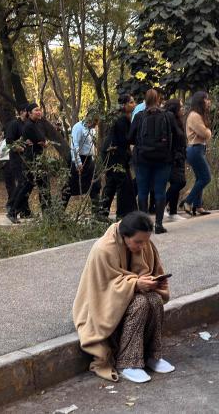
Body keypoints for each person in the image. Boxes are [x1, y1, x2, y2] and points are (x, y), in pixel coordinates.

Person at [73, 211, 174, 383]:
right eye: (138, 242)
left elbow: (151, 269)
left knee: (155, 300)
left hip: (125, 297)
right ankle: (128, 363)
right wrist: (135, 284)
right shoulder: (103, 249)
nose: (142, 246)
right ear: (124, 236)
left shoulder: (143, 243)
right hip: (102, 306)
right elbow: (102, 289)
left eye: (146, 241)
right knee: (140, 303)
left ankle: (152, 355)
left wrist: (152, 282)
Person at [128, 89, 180, 234]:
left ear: (145, 100)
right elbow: (178, 135)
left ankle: (145, 225)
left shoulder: (139, 116)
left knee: (143, 191)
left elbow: (130, 137)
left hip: (142, 159)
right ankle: (158, 224)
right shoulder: (168, 116)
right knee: (160, 191)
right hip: (163, 159)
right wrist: (173, 152)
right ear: (158, 99)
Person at [7, 103, 50, 223]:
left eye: (39, 110)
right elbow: (42, 139)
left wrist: (43, 142)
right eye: (36, 110)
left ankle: (48, 214)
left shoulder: (38, 124)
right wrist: (43, 142)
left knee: (42, 186)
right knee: (28, 187)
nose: (39, 112)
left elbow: (43, 139)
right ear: (29, 113)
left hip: (38, 160)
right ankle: (13, 212)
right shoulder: (29, 126)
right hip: (32, 161)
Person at [100, 95, 137, 219]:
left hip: (112, 153)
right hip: (115, 154)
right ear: (124, 105)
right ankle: (122, 214)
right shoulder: (121, 119)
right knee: (122, 182)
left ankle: (102, 212)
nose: (134, 104)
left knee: (112, 183)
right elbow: (124, 140)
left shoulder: (119, 117)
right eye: (131, 102)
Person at [61, 113, 102, 216]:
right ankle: (59, 212)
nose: (95, 125)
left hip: (89, 160)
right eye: (95, 122)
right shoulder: (78, 127)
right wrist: (78, 163)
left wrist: (93, 157)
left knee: (95, 184)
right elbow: (74, 146)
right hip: (78, 160)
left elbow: (91, 146)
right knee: (70, 186)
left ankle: (97, 214)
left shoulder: (92, 129)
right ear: (89, 118)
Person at [180, 91, 212, 216]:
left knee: (200, 178)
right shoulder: (194, 116)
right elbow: (205, 133)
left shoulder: (198, 115)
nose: (208, 101)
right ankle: (188, 201)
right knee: (206, 177)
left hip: (198, 149)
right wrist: (208, 131)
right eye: (206, 99)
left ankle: (198, 206)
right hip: (195, 149)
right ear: (200, 100)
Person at [163, 99, 187, 221]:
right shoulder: (170, 118)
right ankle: (162, 205)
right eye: (181, 107)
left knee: (177, 182)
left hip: (179, 156)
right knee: (179, 182)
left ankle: (173, 212)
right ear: (174, 108)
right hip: (173, 157)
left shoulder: (177, 120)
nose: (183, 109)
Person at [4, 104, 30, 216]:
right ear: (21, 112)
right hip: (16, 159)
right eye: (27, 111)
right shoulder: (14, 124)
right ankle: (10, 204)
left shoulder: (27, 124)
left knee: (27, 184)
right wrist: (18, 147)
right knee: (22, 183)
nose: (28, 113)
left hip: (26, 158)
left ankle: (25, 211)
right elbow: (9, 142)